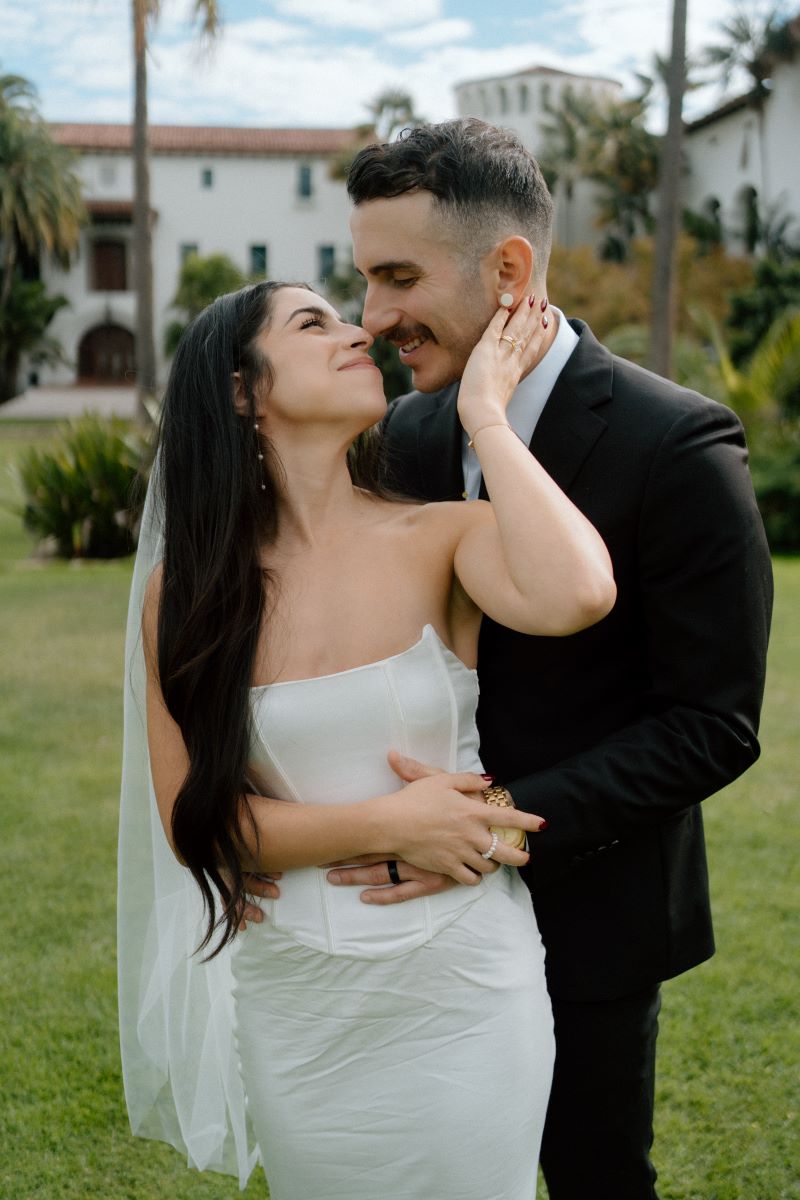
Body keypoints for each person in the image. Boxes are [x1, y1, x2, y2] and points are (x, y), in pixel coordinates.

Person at [313, 118, 773, 1199]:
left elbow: (713, 722)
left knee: (591, 1177)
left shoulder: (679, 449)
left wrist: (497, 822)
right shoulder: (409, 440)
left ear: (508, 269)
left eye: (395, 277)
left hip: (593, 913)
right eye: (362, 279)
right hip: (401, 909)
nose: (372, 319)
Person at [118, 278, 617, 1199]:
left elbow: (580, 591)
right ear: (241, 391)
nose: (358, 331)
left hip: (466, 990)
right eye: (315, 323)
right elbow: (201, 824)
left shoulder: (441, 536)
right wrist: (394, 821)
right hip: (301, 1005)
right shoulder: (185, 595)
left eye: (346, 318)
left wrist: (487, 418)